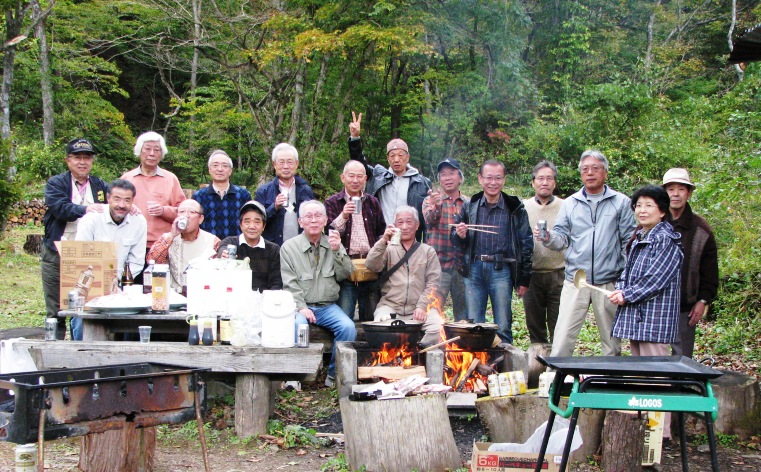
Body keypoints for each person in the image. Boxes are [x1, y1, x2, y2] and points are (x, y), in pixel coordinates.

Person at [537, 150, 636, 357]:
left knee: (611, 341)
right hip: (576, 279)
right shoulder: (570, 203)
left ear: (605, 172)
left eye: (595, 168)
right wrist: (547, 237)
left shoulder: (621, 202)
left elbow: (628, 242)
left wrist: (626, 279)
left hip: (608, 281)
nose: (590, 173)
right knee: (562, 338)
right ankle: (557, 374)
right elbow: (561, 238)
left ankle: (609, 376)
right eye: (585, 169)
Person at [609, 185, 683, 445]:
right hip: (637, 317)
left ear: (662, 211)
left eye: (648, 205)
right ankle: (645, 428)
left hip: (655, 318)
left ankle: (661, 433)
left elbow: (656, 279)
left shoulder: (665, 239)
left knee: (657, 375)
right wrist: (620, 288)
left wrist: (627, 294)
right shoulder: (640, 235)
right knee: (641, 374)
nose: (642, 210)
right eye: (638, 205)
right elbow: (627, 272)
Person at [452, 160, 533, 344]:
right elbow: (455, 238)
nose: (493, 182)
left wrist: (524, 278)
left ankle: (504, 360)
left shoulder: (514, 207)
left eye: (498, 178)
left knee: (503, 325)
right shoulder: (470, 205)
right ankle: (477, 360)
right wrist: (460, 235)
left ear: (504, 180)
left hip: (501, 270)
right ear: (480, 179)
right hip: (474, 269)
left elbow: (526, 242)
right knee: (474, 325)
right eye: (488, 178)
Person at [280, 200, 357, 387]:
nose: (313, 220)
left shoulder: (333, 243)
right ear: (300, 222)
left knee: (348, 327)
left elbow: (346, 273)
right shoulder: (289, 247)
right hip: (300, 306)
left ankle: (333, 376)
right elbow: (289, 283)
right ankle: (296, 377)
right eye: (308, 216)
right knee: (298, 326)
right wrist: (301, 307)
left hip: (327, 306)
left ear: (325, 220)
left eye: (318, 216)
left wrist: (337, 251)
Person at [42, 138, 108, 339]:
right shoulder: (56, 183)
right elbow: (60, 208)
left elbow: (113, 208)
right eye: (77, 157)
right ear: (68, 160)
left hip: (89, 254)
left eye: (87, 157)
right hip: (58, 250)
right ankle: (54, 345)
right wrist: (86, 209)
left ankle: (82, 344)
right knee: (56, 306)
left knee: (87, 302)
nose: (82, 162)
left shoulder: (99, 185)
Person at [366, 206, 443, 346]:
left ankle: (419, 353)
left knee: (438, 327)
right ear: (395, 225)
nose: (405, 227)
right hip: (390, 306)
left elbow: (433, 283)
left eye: (409, 222)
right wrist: (383, 241)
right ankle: (394, 357)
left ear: (417, 225)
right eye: (400, 222)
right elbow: (371, 265)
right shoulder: (388, 249)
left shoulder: (427, 251)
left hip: (419, 307)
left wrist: (422, 306)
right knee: (381, 326)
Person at [662, 168, 719, 358]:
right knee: (652, 360)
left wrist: (703, 300)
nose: (675, 194)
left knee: (682, 359)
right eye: (671, 189)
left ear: (689, 193)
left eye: (681, 189)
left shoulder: (701, 230)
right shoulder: (652, 223)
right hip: (654, 305)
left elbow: (710, 272)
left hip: (684, 306)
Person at [348, 112, 431, 239]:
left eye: (400, 155)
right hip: (383, 237)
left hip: (409, 239)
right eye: (392, 156)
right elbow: (359, 163)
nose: (396, 159)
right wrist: (355, 139)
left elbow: (426, 219)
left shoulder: (422, 182)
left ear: (408, 157)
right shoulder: (378, 176)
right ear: (387, 159)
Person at [325, 161, 385, 321]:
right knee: (344, 318)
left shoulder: (373, 202)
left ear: (365, 179)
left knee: (371, 319)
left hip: (370, 265)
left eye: (359, 176)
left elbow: (381, 230)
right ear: (343, 178)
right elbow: (329, 233)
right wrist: (343, 215)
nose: (355, 180)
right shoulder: (332, 202)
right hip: (346, 267)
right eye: (351, 176)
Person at [121, 131, 186, 258]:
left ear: (162, 154)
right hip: (131, 243)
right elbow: (114, 208)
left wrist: (163, 211)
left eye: (157, 150)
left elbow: (183, 213)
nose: (152, 153)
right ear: (139, 151)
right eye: (147, 149)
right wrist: (127, 207)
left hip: (163, 244)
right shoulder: (127, 179)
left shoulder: (170, 179)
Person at [522, 161, 565, 344]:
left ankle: (557, 360)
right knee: (535, 325)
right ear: (533, 182)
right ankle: (538, 359)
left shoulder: (566, 206)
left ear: (555, 183)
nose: (545, 182)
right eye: (540, 178)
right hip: (532, 275)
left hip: (559, 273)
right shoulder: (523, 207)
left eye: (549, 178)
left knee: (559, 325)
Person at [422, 158, 468, 321]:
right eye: (443, 174)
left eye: (452, 173)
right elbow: (429, 220)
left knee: (464, 315)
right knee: (432, 311)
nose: (447, 178)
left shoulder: (468, 203)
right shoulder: (430, 201)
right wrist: (437, 206)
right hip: (438, 266)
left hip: (461, 266)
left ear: (460, 178)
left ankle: (461, 337)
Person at [75, 179, 147, 281]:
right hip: (92, 279)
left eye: (127, 200)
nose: (121, 205)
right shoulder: (91, 219)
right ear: (108, 198)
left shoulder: (139, 221)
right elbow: (81, 255)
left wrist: (121, 281)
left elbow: (137, 260)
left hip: (123, 281)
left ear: (132, 201)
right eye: (117, 199)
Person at [147, 199, 220, 291]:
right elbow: (152, 262)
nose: (186, 216)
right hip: (174, 293)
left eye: (192, 212)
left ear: (200, 219)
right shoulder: (168, 238)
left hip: (201, 291)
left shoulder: (212, 241)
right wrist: (172, 235)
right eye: (181, 212)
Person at [255, 143, 315, 245]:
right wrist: (274, 207)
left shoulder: (306, 190)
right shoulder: (263, 191)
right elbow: (257, 221)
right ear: (274, 164)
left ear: (296, 164)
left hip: (301, 246)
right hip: (273, 247)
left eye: (290, 162)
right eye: (281, 162)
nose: (286, 166)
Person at [217, 200, 282, 292]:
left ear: (263, 226)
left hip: (264, 298)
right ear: (240, 225)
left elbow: (276, 283)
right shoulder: (230, 243)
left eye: (257, 222)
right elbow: (222, 250)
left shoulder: (273, 250)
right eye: (247, 222)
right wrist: (223, 255)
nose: (252, 226)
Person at [193, 149, 252, 239]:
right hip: (207, 245)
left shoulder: (243, 195)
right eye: (215, 165)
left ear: (230, 171)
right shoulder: (198, 196)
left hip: (236, 245)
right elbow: (194, 225)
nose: (220, 169)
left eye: (224, 166)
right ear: (209, 170)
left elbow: (249, 222)